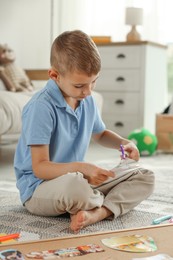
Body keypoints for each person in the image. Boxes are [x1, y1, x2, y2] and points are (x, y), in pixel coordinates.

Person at [14, 30, 154, 233]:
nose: (88, 91)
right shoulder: (41, 107)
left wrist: (124, 143)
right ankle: (104, 202)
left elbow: (100, 133)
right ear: (55, 75)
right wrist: (83, 168)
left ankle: (97, 213)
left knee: (144, 175)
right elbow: (40, 168)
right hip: (40, 189)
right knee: (75, 186)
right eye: (80, 85)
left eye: (94, 81)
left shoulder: (86, 99)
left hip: (80, 179)